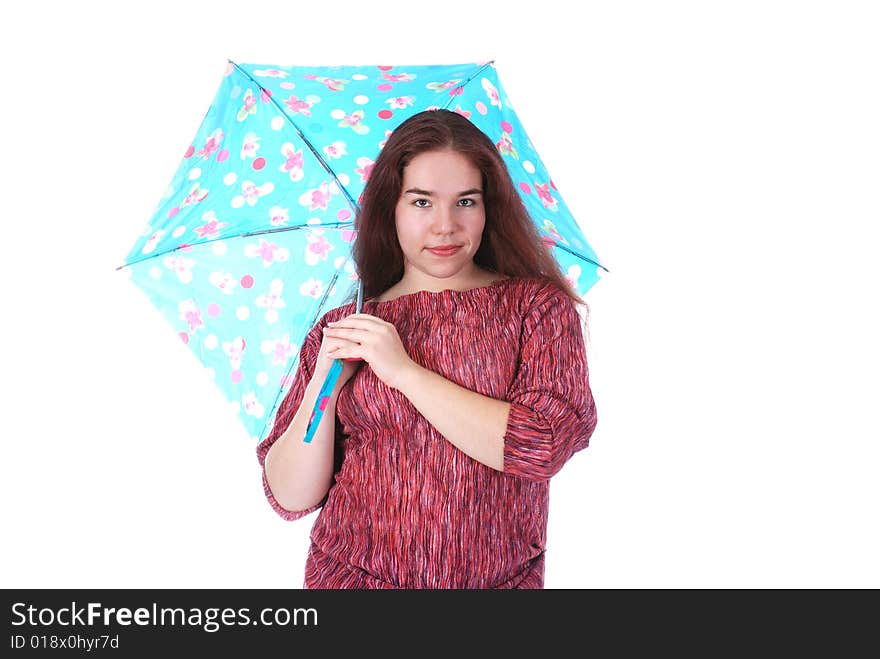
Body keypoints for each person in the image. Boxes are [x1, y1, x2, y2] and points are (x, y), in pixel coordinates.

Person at [256, 109, 597, 589]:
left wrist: (405, 373)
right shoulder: (346, 327)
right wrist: (323, 385)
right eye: (421, 202)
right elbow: (290, 497)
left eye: (465, 201)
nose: (445, 226)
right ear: (389, 208)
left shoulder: (535, 309)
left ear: (488, 208)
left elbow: (540, 447)